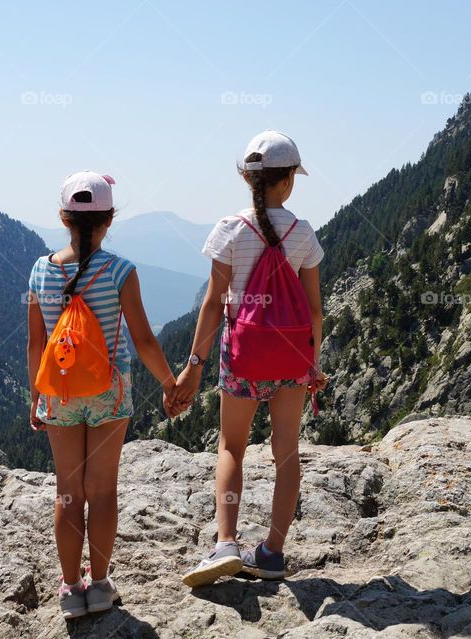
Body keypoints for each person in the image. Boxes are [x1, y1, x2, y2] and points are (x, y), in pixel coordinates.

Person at [176, 131, 328, 587]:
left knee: (231, 446)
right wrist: (312, 364)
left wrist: (194, 362)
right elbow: (314, 310)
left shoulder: (230, 230)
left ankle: (226, 542)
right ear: (290, 182)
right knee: (286, 453)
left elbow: (212, 302)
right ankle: (273, 553)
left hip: (241, 355)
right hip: (290, 359)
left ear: (247, 178)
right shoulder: (302, 233)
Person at [26, 171, 180, 617]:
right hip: (110, 393)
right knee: (103, 491)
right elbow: (145, 340)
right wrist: (171, 384)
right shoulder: (120, 271)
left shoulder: (40, 271)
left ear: (62, 217)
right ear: (109, 220)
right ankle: (99, 585)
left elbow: (36, 343)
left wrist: (35, 396)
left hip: (59, 392)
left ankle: (70, 589)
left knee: (69, 491)